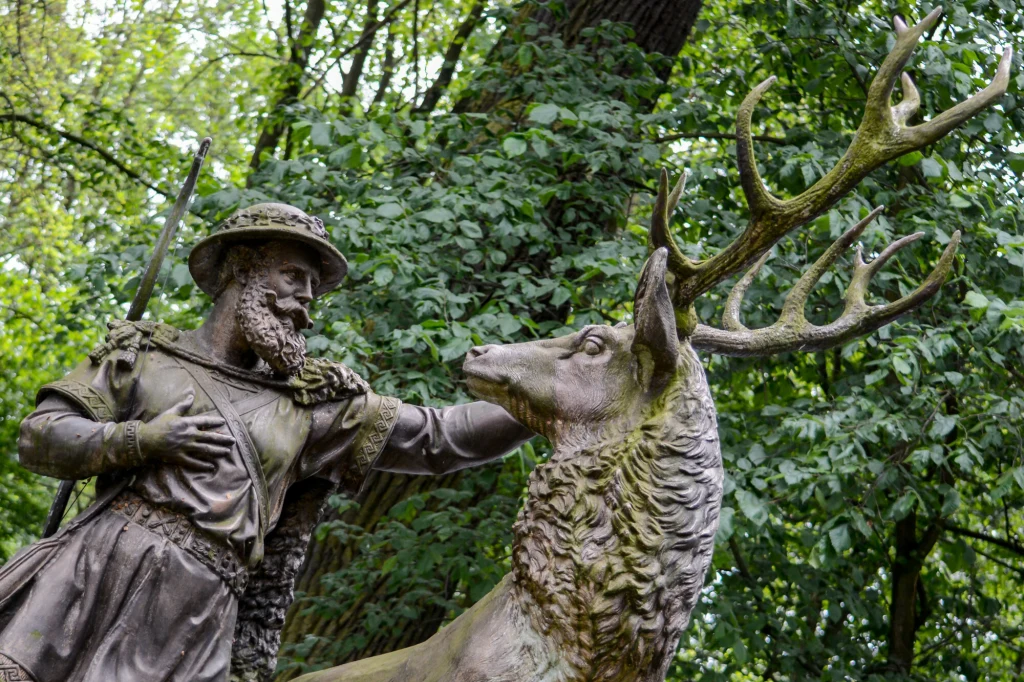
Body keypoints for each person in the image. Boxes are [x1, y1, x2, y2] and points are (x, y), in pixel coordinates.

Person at [0, 203, 533, 682]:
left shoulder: (314, 407)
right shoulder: (142, 357)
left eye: (312, 288)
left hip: (198, 615)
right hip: (91, 579)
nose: (305, 299)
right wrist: (144, 439)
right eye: (293, 275)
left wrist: (549, 394)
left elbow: (444, 438)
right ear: (240, 269)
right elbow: (40, 438)